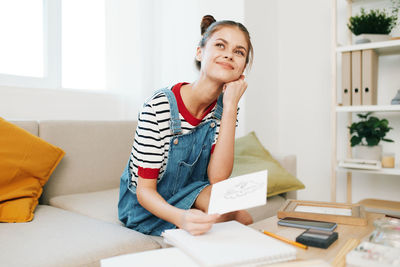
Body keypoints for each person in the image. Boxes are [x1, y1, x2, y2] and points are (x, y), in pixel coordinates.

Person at [118, 14, 254, 236]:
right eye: (220, 45)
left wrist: (230, 108)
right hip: (144, 205)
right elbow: (144, 192)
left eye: (239, 52)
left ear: (242, 69)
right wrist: (181, 218)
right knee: (227, 221)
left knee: (241, 216)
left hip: (188, 191)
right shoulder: (158, 106)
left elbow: (218, 178)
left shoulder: (225, 108)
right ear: (200, 52)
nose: (229, 54)